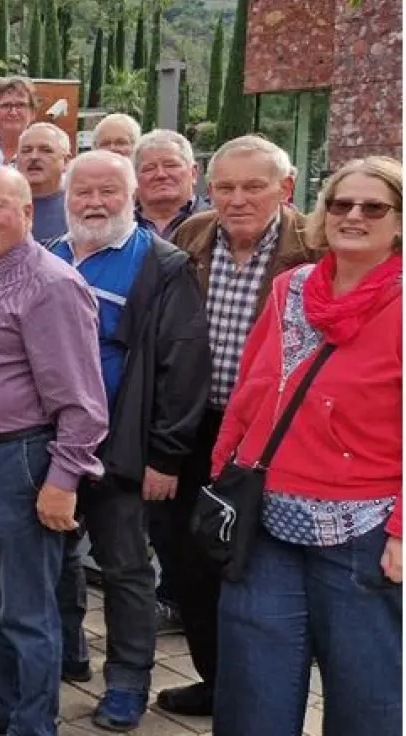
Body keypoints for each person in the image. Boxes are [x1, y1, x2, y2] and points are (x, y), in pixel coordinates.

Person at [212, 156, 403, 736]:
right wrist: (224, 478)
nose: (354, 215)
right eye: (342, 203)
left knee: (366, 694)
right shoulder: (290, 288)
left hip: (363, 530)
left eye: (373, 207)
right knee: (252, 691)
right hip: (266, 520)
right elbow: (253, 390)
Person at [0, 166, 107, 736]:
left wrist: (63, 481)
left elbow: (81, 400)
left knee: (27, 611)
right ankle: (3, 710)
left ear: (28, 213)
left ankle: (34, 724)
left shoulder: (50, 285)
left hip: (21, 464)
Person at [46, 151, 211, 731]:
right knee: (57, 555)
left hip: (121, 447)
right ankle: (69, 651)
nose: (94, 203)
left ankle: (128, 683)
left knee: (125, 570)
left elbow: (183, 363)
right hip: (52, 444)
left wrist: (166, 453)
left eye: (107, 192)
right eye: (82, 192)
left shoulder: (161, 264)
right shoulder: (52, 255)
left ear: (132, 194)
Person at [157, 135, 319, 718]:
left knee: (257, 568)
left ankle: (265, 695)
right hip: (195, 426)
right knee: (191, 559)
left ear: (286, 188)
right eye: (225, 186)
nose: (238, 199)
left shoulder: (313, 247)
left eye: (254, 186)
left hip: (272, 436)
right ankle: (214, 679)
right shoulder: (192, 237)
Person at [135, 129, 204, 240]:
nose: (160, 175)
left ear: (193, 173)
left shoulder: (217, 223)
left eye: (171, 165)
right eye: (149, 168)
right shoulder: (120, 229)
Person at [18, 123, 73, 242]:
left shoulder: (77, 207)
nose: (33, 157)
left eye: (46, 150)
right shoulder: (2, 205)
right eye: (26, 151)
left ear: (66, 161)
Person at [0, 78, 36, 166]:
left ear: (32, 113)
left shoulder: (44, 156)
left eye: (20, 105)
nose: (13, 112)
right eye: (5, 105)